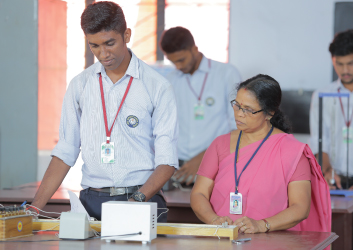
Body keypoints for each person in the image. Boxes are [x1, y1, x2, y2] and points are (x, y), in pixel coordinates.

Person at [30, 1, 178, 222]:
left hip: (142, 199)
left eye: (110, 43)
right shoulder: (80, 85)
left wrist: (136, 200)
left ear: (126, 35)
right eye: (94, 46)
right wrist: (34, 209)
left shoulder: (157, 86)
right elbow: (65, 151)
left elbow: (167, 160)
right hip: (92, 203)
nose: (103, 54)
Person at [191, 74, 331, 234]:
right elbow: (199, 193)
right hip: (222, 240)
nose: (239, 114)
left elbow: (300, 208)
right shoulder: (220, 144)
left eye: (249, 110)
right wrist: (213, 219)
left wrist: (262, 225)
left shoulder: (292, 151)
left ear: (269, 113)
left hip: (271, 241)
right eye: (237, 105)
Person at [309, 29, 353, 249]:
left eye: (351, 63)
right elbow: (319, 141)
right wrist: (325, 173)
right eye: (339, 63)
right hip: (335, 187)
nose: (345, 70)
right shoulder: (322, 95)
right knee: (336, 242)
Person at [160, 27, 242, 185]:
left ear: (194, 49)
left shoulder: (226, 74)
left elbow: (239, 128)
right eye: (173, 61)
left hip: (217, 163)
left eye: (181, 60)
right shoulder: (171, 80)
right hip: (180, 167)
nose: (178, 66)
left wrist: (205, 158)